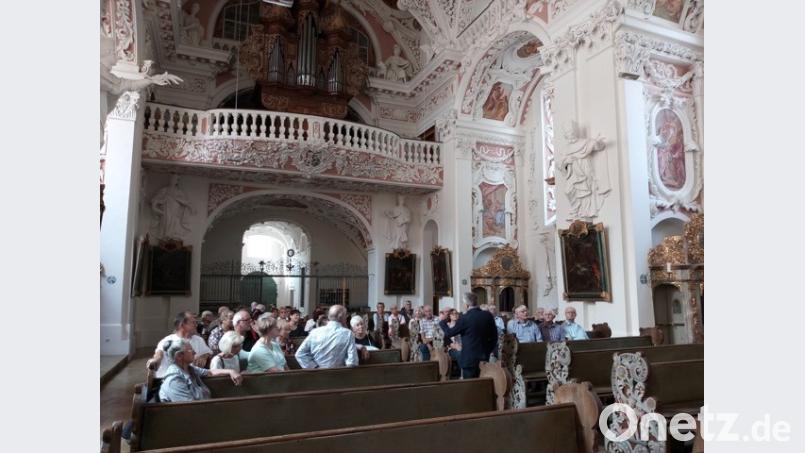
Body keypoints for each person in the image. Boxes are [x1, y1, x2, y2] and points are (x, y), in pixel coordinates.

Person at [158, 338, 242, 403]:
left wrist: (231, 371)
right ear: (179, 356)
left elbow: (210, 372)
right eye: (191, 350)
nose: (195, 352)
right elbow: (188, 408)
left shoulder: (189, 368)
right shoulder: (174, 380)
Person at [438, 293, 498, 379]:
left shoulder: (464, 318)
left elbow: (449, 333)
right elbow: (494, 337)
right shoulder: (487, 315)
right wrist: (487, 351)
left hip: (469, 359)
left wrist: (442, 322)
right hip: (484, 357)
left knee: (470, 387)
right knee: (483, 385)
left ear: (466, 304)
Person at [149, 311, 213, 378]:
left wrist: (204, 356)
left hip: (192, 379)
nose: (196, 325)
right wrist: (156, 360)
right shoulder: (168, 340)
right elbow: (159, 353)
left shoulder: (198, 340)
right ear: (182, 325)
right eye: (193, 322)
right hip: (169, 379)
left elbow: (208, 352)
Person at [150, 174, 194, 240]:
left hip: (174, 209)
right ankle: (164, 236)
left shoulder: (179, 191)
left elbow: (185, 201)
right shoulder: (164, 190)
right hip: (165, 208)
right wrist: (157, 202)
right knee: (165, 221)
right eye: (171, 178)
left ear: (177, 181)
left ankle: (170, 236)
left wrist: (191, 207)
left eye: (174, 179)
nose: (172, 180)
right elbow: (156, 198)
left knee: (172, 222)